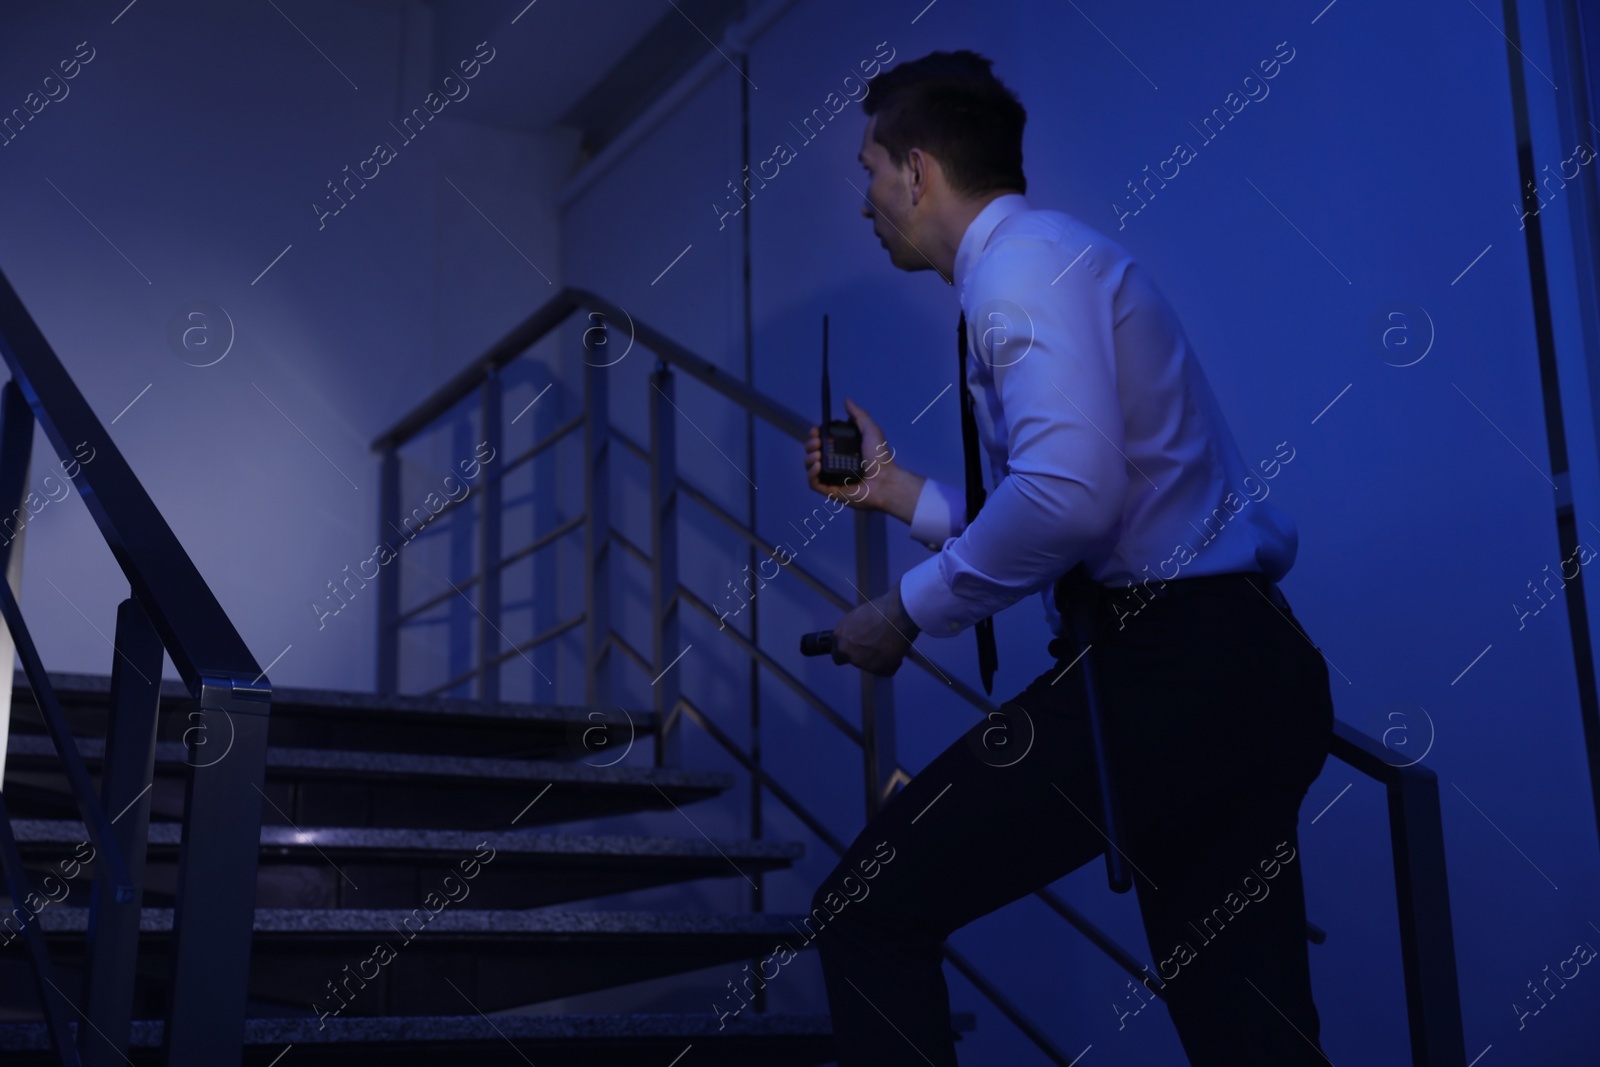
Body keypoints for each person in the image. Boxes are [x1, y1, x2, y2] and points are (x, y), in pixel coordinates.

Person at [801, 51, 1335, 1065]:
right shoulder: (1050, 261)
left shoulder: (1015, 274)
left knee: (863, 912)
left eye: (868, 170)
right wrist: (901, 494)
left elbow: (1067, 498)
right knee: (1251, 1037)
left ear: (917, 171)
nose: (865, 201)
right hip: (1236, 668)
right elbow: (1097, 504)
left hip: (1168, 672)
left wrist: (903, 611)